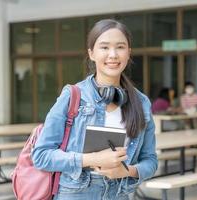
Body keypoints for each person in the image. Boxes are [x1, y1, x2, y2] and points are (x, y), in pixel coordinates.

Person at [31, 19, 158, 200]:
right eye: (104, 47)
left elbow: (150, 161)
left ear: (129, 53)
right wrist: (92, 159)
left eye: (120, 47)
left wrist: (127, 171)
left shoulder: (141, 102)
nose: (113, 55)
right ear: (91, 53)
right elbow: (41, 156)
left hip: (119, 194)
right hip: (75, 194)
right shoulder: (73, 96)